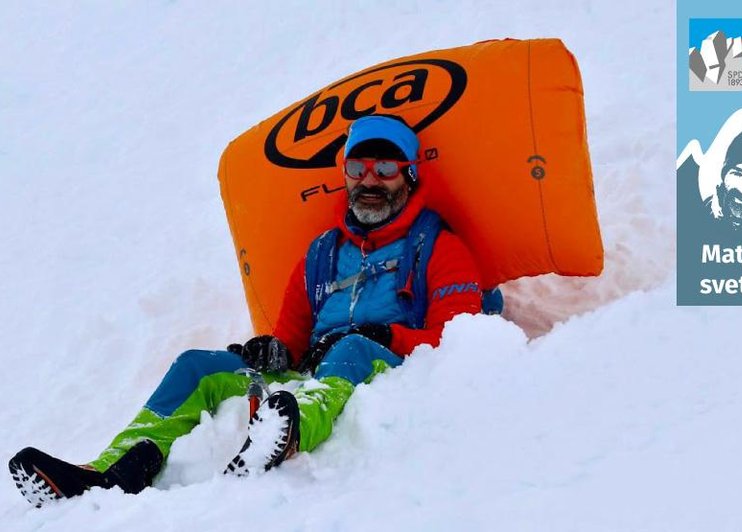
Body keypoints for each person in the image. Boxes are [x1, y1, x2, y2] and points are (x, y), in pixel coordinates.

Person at [8, 115, 484, 507]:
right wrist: (271, 351)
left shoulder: (439, 248)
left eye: (385, 168)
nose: (369, 181)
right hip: (312, 372)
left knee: (353, 347)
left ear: (410, 175)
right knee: (196, 366)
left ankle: (290, 433)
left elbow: (461, 336)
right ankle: (114, 469)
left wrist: (388, 338)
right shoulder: (319, 256)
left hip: (381, 367)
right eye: (358, 168)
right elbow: (291, 341)